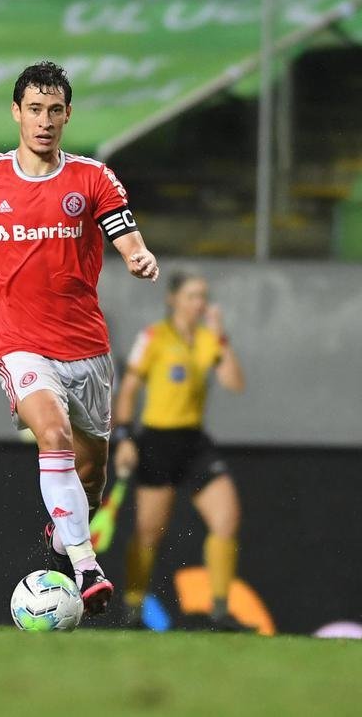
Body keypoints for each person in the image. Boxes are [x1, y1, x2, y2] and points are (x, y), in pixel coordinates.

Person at [0, 61, 160, 617]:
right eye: (35, 109)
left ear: (68, 116)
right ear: (16, 113)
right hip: (19, 344)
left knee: (91, 476)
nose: (44, 121)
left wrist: (137, 256)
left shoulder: (93, 179)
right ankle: (87, 569)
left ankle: (64, 534)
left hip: (87, 350)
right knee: (52, 434)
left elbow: (124, 231)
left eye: (55, 111)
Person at [111, 270, 250, 631]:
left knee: (227, 518)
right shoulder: (154, 337)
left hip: (194, 442)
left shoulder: (207, 339)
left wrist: (221, 336)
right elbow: (129, 390)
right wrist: (124, 437)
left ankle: (220, 612)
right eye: (191, 296)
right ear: (172, 299)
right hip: (157, 440)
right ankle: (132, 610)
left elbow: (234, 383)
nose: (199, 303)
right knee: (149, 532)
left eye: (203, 296)